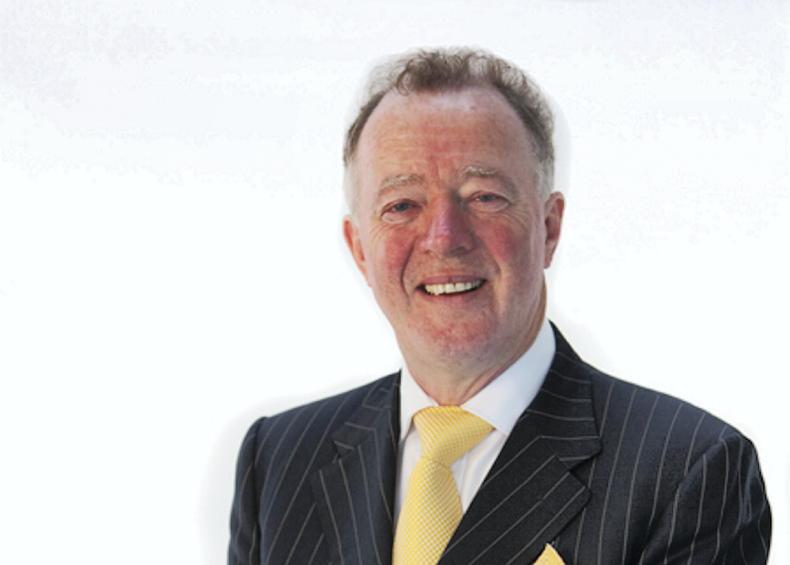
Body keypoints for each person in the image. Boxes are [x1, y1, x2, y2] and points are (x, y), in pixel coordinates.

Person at [228, 48, 771, 565]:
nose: (444, 239)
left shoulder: (688, 470)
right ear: (359, 250)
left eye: (483, 197)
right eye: (402, 205)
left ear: (549, 228)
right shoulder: (278, 460)